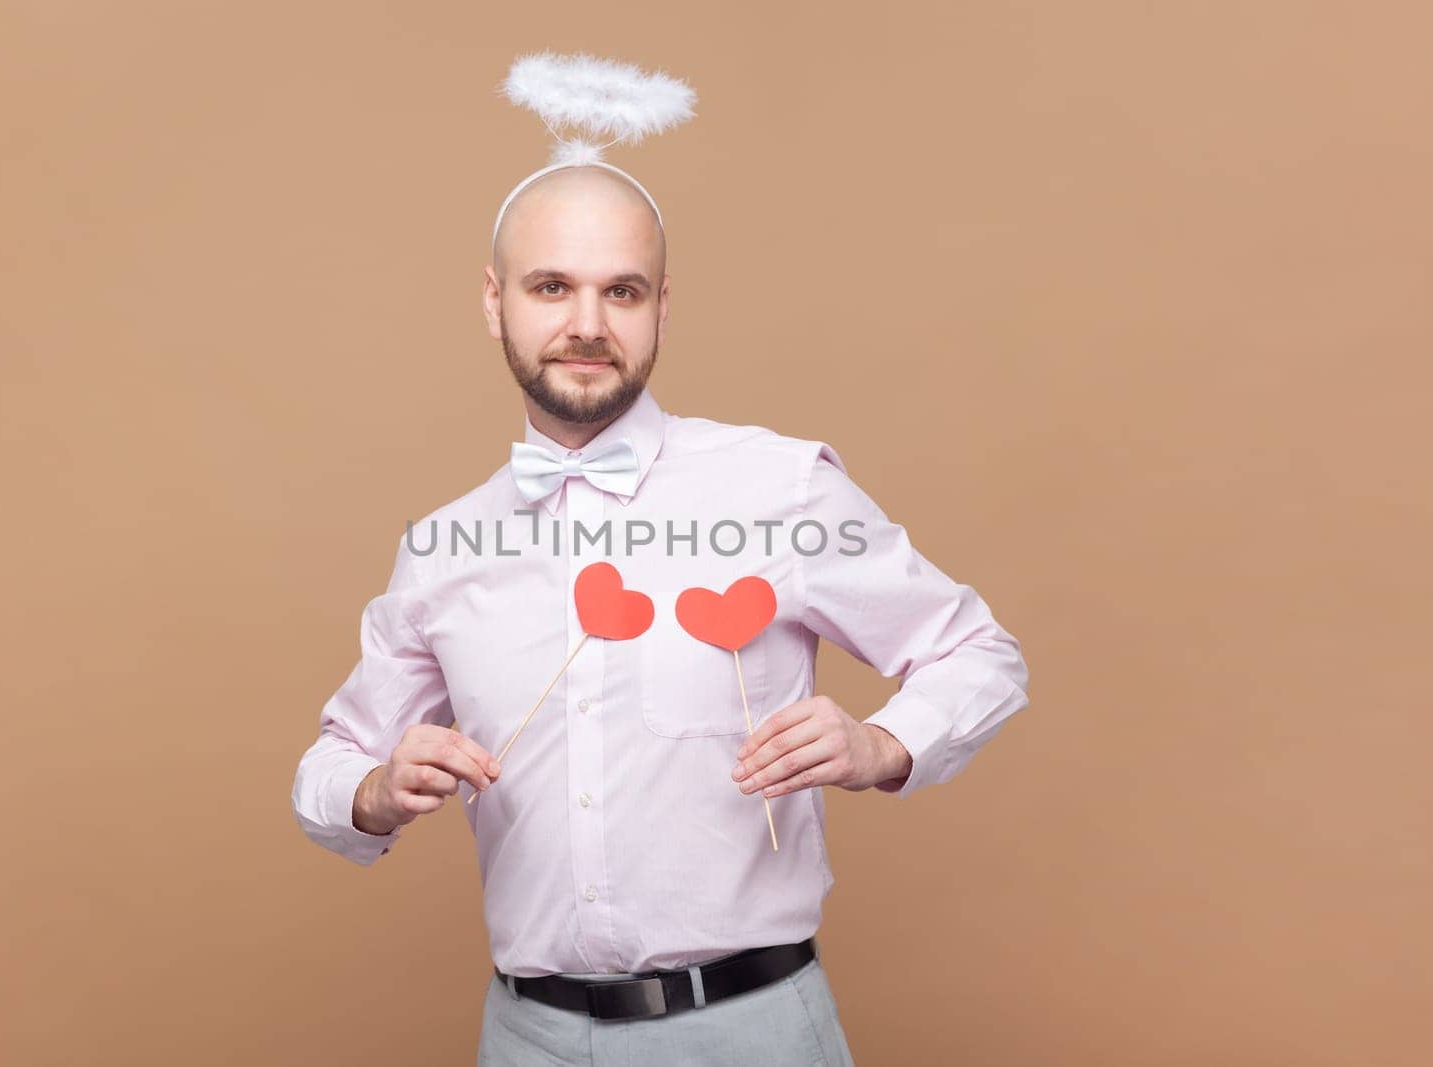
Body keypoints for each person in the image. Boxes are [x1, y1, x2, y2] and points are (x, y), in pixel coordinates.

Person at [291, 162, 1031, 1065]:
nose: (589, 324)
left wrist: (884, 744)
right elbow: (329, 764)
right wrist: (371, 792)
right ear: (495, 301)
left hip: (752, 1031)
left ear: (663, 308)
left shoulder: (779, 487)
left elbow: (978, 652)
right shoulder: (443, 547)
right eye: (552, 286)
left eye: (623, 291)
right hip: (527, 1038)